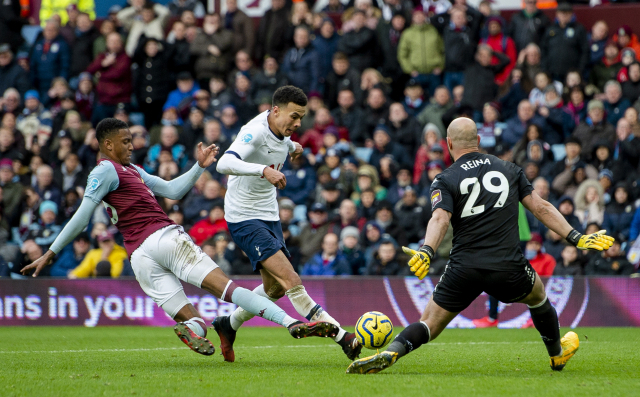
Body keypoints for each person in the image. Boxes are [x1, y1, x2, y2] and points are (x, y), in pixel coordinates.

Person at [21, 118, 336, 357]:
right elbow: (81, 215)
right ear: (107, 145)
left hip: (140, 256)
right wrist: (52, 251)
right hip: (165, 238)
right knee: (228, 290)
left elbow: (172, 190)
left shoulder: (132, 171)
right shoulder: (105, 170)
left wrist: (198, 167)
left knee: (193, 319)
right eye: (126, 141)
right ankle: (291, 322)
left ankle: (195, 329)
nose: (132, 146)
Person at [346, 117, 614, 375]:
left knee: (428, 322)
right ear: (477, 140)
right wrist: (576, 237)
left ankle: (393, 350)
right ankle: (557, 354)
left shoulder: (445, 179)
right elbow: (541, 208)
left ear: (449, 143)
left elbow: (440, 218)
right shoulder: (510, 170)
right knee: (538, 297)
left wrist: (427, 250)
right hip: (507, 265)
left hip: (464, 267)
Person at [215, 86, 363, 363]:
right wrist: (263, 170)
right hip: (244, 217)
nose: (297, 124)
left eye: (301, 118)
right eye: (294, 117)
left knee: (275, 289)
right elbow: (224, 163)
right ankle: (345, 338)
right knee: (292, 280)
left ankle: (229, 324)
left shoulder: (283, 135)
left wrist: (292, 146)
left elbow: (281, 144)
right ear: (275, 111)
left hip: (269, 215)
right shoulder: (254, 131)